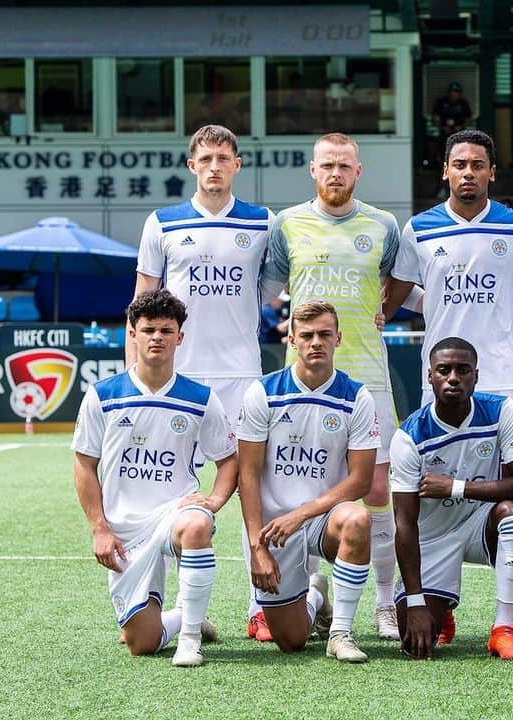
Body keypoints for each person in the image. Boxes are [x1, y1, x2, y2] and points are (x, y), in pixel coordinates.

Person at [383, 128, 513, 643]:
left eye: (477, 165)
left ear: (491, 173)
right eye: (459, 164)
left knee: (510, 497)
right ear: (445, 171)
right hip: (439, 379)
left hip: (501, 377)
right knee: (434, 494)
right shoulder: (420, 229)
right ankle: (442, 594)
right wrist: (421, 306)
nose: (468, 173)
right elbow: (398, 293)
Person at [132, 124, 279, 644]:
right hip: (180, 382)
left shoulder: (263, 222)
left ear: (237, 164)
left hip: (242, 379)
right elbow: (142, 304)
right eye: (205, 158)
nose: (214, 166)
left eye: (224, 157)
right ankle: (178, 608)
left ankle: (262, 605)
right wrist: (139, 381)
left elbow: (285, 287)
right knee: (170, 494)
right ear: (191, 165)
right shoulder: (163, 223)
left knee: (251, 491)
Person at [265, 132, 406, 640]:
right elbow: (267, 287)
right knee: (297, 483)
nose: (335, 174)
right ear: (312, 170)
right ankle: (308, 591)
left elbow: (399, 282)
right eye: (327, 165)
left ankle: (386, 604)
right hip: (299, 383)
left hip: (368, 376)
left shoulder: (384, 226)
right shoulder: (287, 225)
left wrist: (382, 313)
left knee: (376, 489)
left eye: (344, 165)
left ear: (358, 171)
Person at [72, 289, 238, 667]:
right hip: (125, 531)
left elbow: (230, 461)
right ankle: (186, 617)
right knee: (141, 643)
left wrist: (213, 501)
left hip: (174, 514)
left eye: (166, 330)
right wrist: (99, 527)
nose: (157, 337)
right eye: (148, 329)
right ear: (133, 333)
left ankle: (190, 639)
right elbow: (84, 465)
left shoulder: (200, 398)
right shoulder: (102, 396)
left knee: (196, 525)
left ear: (180, 337)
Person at [236, 301, 381, 663]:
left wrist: (302, 514)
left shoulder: (357, 396)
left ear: (338, 339)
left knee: (358, 518)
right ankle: (316, 594)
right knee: (291, 641)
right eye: (307, 335)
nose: (316, 342)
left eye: (324, 335)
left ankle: (341, 634)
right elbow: (247, 475)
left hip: (322, 520)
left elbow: (361, 480)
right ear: (292, 341)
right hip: (274, 528)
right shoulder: (263, 393)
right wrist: (257, 548)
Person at [389, 337, 513, 660]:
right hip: (433, 538)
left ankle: (504, 629)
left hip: (479, 524)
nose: (453, 377)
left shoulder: (500, 411)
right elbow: (404, 524)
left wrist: (455, 487)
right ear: (430, 376)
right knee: (416, 644)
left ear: (476, 375)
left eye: (463, 370)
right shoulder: (409, 436)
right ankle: (437, 607)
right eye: (444, 370)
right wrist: (415, 602)